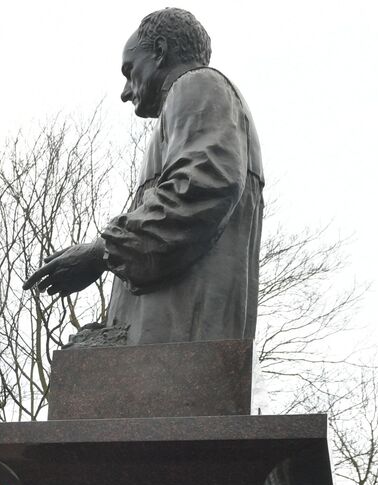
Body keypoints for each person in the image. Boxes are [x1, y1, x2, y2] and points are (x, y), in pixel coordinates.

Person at [23, 8, 263, 348]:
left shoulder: (197, 85)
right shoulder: (193, 101)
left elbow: (201, 188)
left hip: (175, 349)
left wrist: (102, 251)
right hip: (171, 350)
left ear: (160, 51)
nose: (125, 91)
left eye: (129, 70)